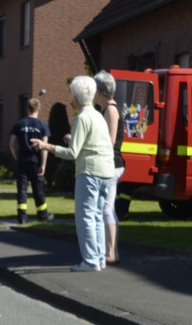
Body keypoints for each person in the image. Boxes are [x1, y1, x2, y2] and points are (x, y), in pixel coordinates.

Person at [31, 75, 114, 271]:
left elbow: (72, 154)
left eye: (71, 94)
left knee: (85, 216)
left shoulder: (82, 117)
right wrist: (72, 139)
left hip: (89, 171)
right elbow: (92, 144)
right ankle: (99, 258)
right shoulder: (98, 116)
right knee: (97, 216)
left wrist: (46, 146)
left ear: (76, 97)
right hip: (106, 171)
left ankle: (90, 261)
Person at [94, 71, 125, 265]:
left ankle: (112, 252)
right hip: (110, 164)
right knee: (107, 208)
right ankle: (111, 251)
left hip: (112, 164)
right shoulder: (107, 110)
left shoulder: (111, 110)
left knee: (106, 208)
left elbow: (110, 141)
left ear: (100, 91)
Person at [8, 98, 54, 224]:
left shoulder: (19, 124)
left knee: (22, 189)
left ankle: (22, 217)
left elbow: (12, 143)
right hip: (36, 160)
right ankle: (43, 216)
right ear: (39, 109)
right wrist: (43, 164)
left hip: (22, 159)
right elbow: (44, 147)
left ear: (27, 109)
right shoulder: (43, 125)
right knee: (38, 189)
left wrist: (17, 157)